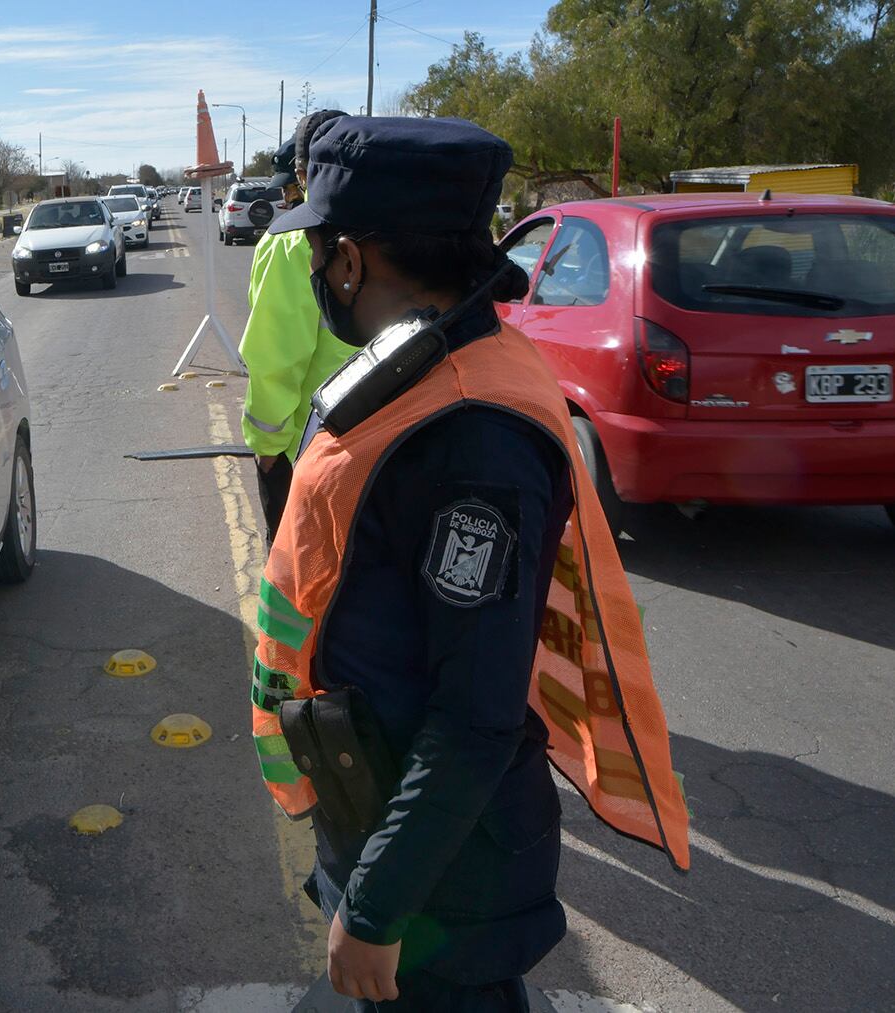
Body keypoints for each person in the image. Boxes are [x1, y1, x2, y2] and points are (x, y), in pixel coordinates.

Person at [247, 117, 691, 1010]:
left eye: (322, 245)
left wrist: (375, 908)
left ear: (354, 258)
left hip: (439, 880)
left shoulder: (473, 442)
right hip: (397, 828)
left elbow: (476, 712)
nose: (317, 267)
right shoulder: (431, 361)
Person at [238, 109, 349, 543]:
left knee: (297, 579)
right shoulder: (389, 234)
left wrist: (267, 449)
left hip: (308, 448)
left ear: (303, 174)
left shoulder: (290, 242)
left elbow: (275, 359)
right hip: (385, 438)